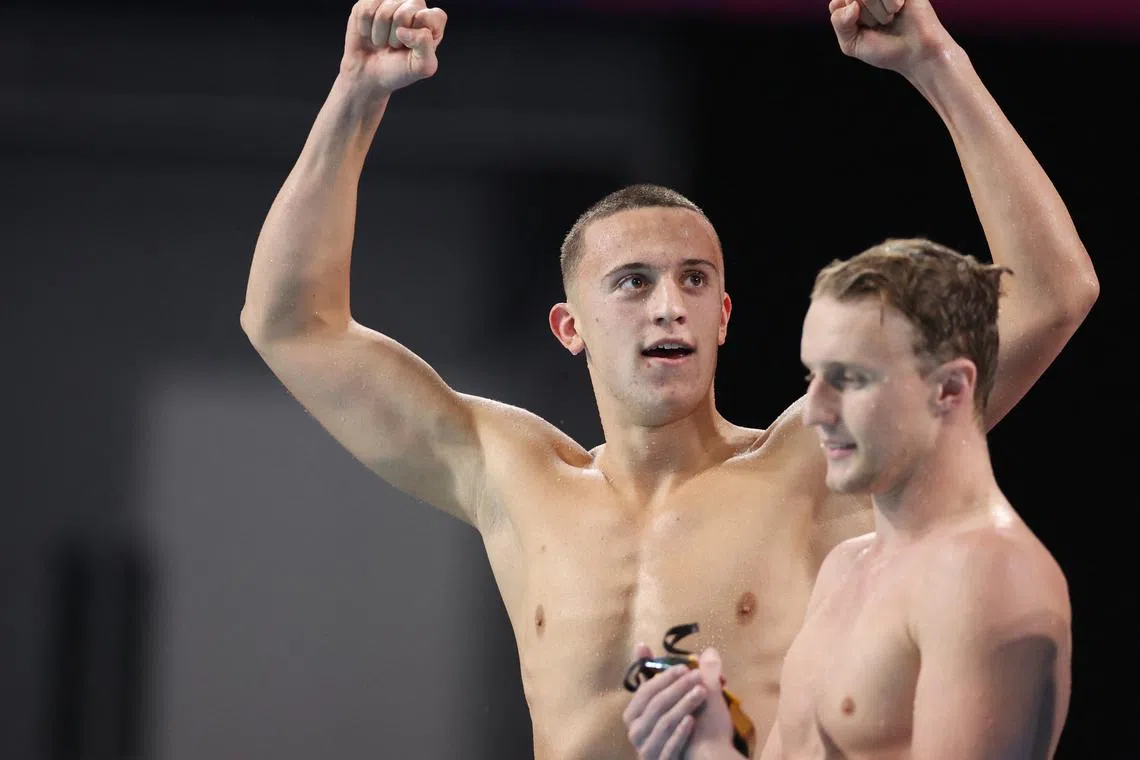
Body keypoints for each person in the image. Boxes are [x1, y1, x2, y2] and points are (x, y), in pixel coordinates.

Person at [239, 0, 1096, 756]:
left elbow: (1051, 295)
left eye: (695, 280)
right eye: (633, 282)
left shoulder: (808, 467)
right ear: (569, 328)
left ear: (724, 317)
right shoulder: (510, 472)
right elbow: (291, 325)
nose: (668, 307)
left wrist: (938, 65)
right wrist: (355, 97)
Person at [620, 238, 1072, 760]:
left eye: (850, 379)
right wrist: (708, 746)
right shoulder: (847, 566)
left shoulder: (987, 576)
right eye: (813, 376)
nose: (813, 412)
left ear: (949, 389)